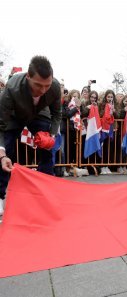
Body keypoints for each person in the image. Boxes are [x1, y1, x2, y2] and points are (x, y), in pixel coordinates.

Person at [0, 55, 62, 215]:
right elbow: (0, 123)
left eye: (46, 86)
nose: (42, 90)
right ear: (28, 77)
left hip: (40, 114)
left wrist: (52, 136)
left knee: (47, 149)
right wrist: (1, 153)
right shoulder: (12, 87)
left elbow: (57, 114)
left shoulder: (54, 87)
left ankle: (45, 194)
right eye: (38, 85)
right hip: (15, 114)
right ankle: (0, 195)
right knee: (6, 151)